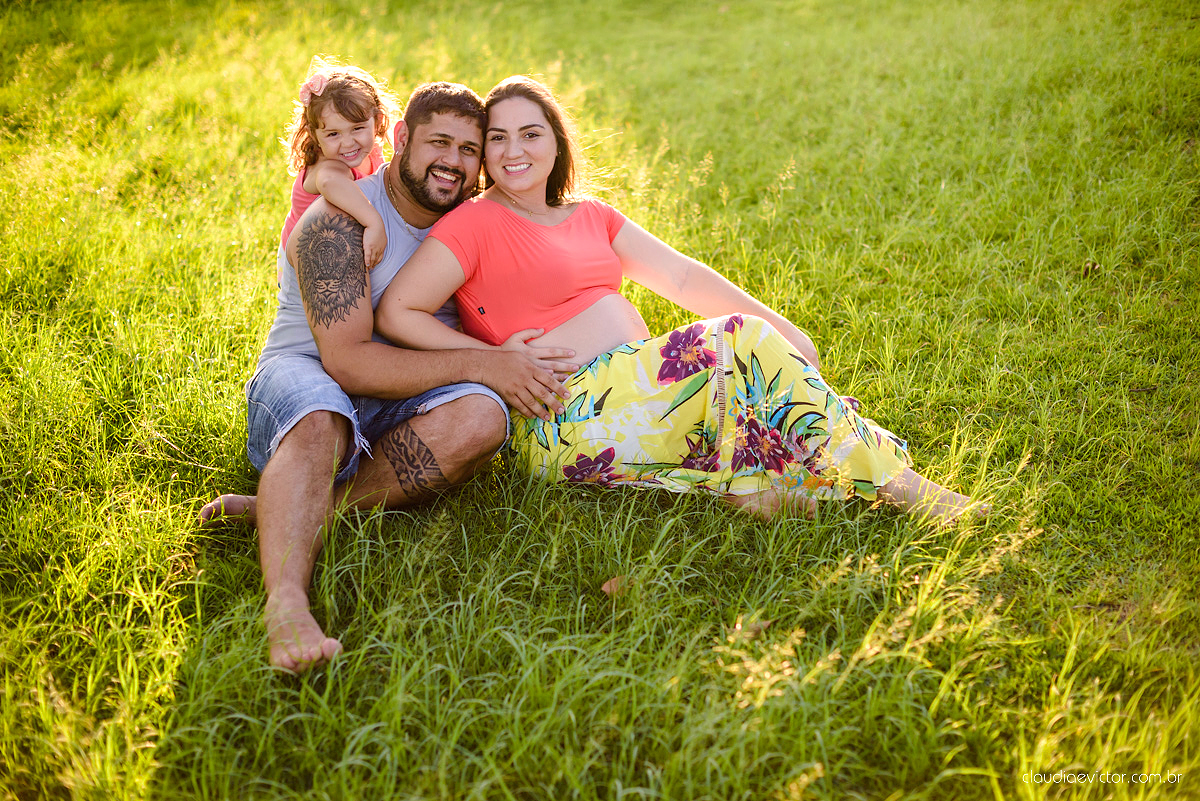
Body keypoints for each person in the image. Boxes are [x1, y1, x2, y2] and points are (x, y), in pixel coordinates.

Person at [376, 75, 983, 522]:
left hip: (641, 397)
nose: (514, 151)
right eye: (499, 138)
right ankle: (902, 487)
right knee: (737, 344)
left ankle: (766, 493)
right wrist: (490, 361)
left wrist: (788, 331)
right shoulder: (475, 223)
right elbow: (398, 310)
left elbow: (686, 280)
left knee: (754, 370)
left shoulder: (592, 216)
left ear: (556, 144)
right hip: (560, 414)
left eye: (530, 134)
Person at [201, 80, 576, 673]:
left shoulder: (476, 225)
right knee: (322, 417)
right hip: (309, 374)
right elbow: (346, 361)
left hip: (408, 388)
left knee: (483, 415)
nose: (452, 162)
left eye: (469, 149)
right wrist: (486, 363)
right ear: (399, 139)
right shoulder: (337, 221)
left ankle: (299, 506)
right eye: (438, 143)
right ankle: (288, 607)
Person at [280, 61, 397, 277]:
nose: (348, 143)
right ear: (314, 135)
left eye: (357, 128)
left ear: (377, 120)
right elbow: (329, 183)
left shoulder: (371, 151)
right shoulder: (327, 166)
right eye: (333, 134)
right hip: (306, 269)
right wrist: (374, 223)